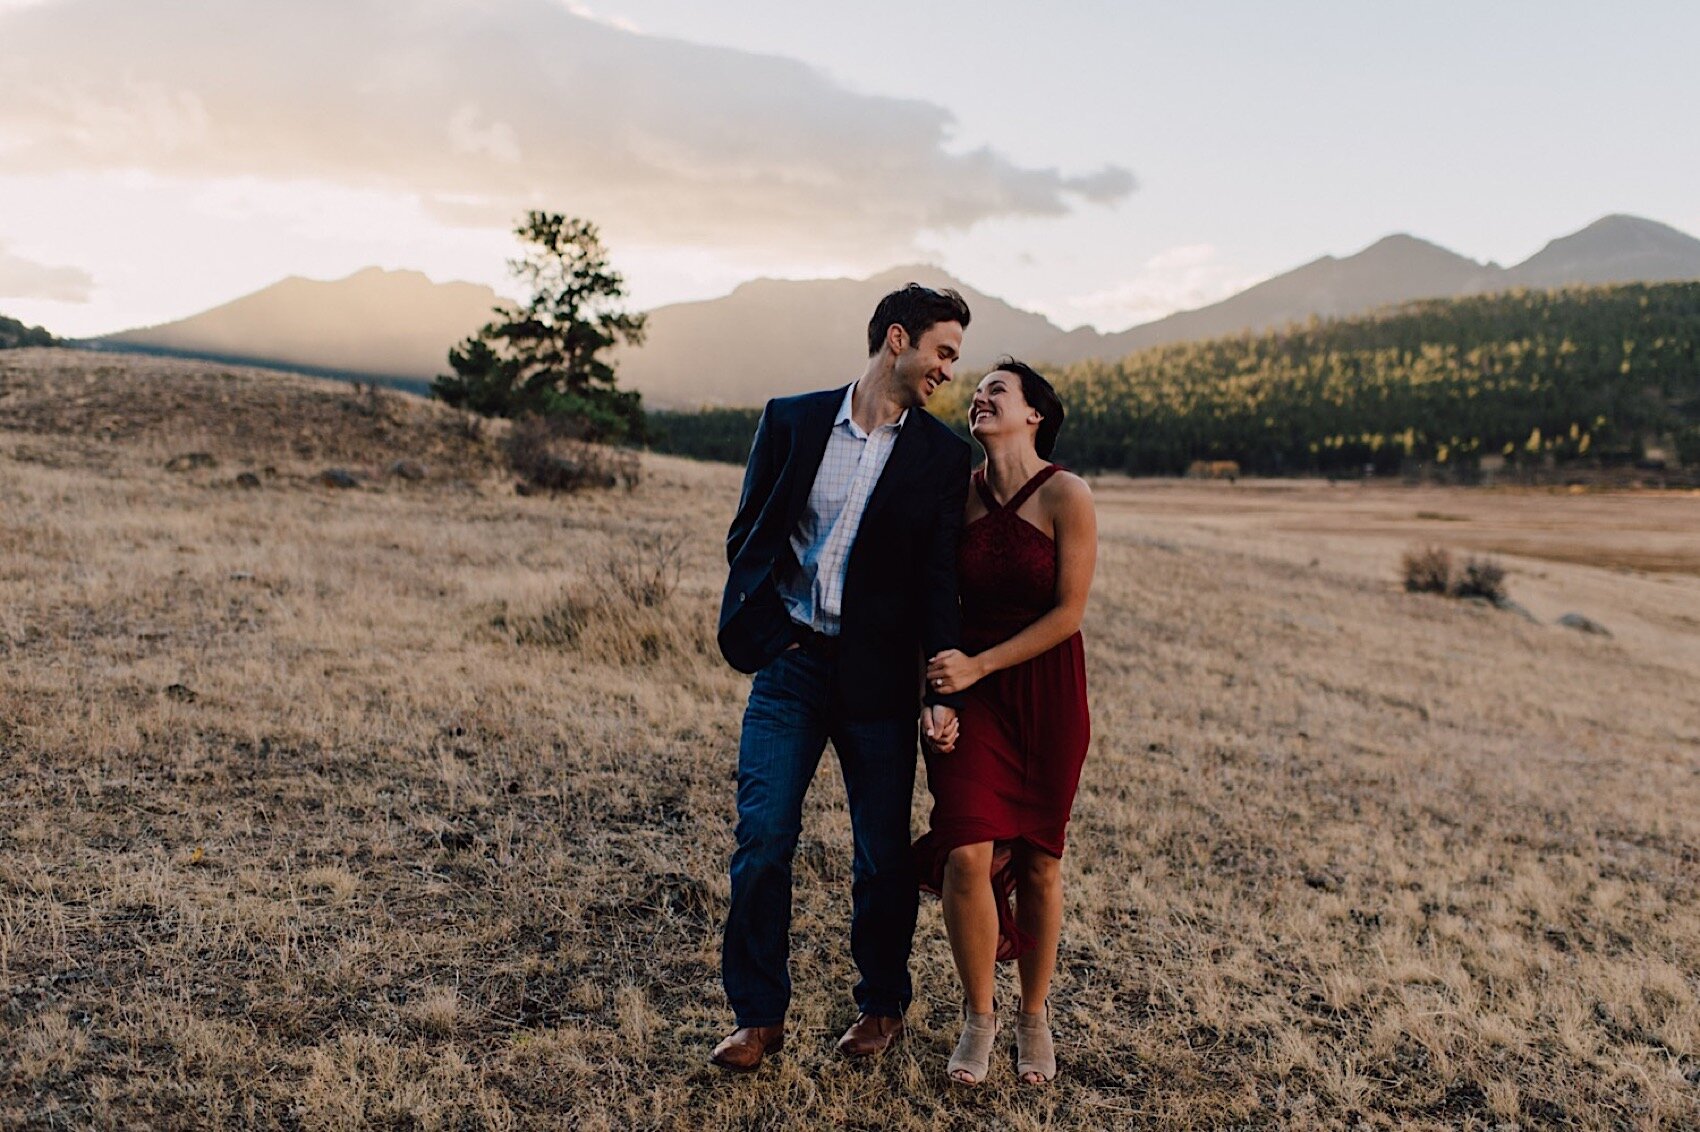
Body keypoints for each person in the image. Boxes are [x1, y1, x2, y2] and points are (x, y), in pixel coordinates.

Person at [710, 284, 974, 1072]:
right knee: (762, 839)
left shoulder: (940, 456)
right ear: (899, 339)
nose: (947, 372)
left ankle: (882, 1005)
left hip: (880, 685)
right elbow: (748, 534)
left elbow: (938, 587)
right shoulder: (791, 419)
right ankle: (758, 1017)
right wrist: (767, 634)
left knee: (881, 855)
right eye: (943, 352)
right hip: (790, 669)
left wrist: (937, 693)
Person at [914, 358, 1097, 1087]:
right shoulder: (952, 499)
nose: (979, 398)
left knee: (1041, 864)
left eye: (998, 390)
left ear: (1034, 415)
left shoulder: (1067, 495)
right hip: (969, 695)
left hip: (1045, 693)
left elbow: (1069, 613)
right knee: (966, 853)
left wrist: (980, 668)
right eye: (977, 390)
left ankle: (1033, 1015)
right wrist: (938, 697)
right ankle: (979, 1016)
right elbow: (933, 602)